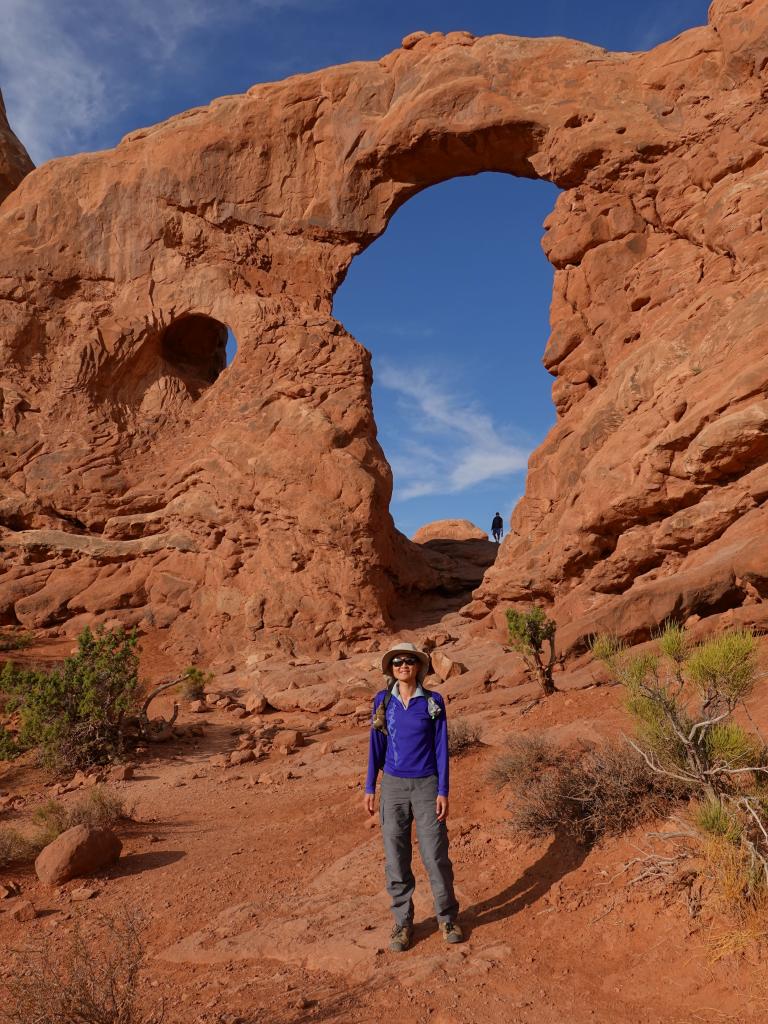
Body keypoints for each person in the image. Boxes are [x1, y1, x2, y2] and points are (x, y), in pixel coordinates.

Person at [364, 640, 462, 952]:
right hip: (392, 787)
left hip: (426, 786)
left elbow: (441, 749)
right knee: (396, 857)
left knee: (435, 855)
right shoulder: (383, 701)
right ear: (391, 669)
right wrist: (370, 786)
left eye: (409, 661)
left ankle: (447, 918)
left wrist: (443, 790)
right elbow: (375, 748)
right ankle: (403, 923)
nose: (403, 666)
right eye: (397, 662)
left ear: (419, 667)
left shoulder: (433, 702)